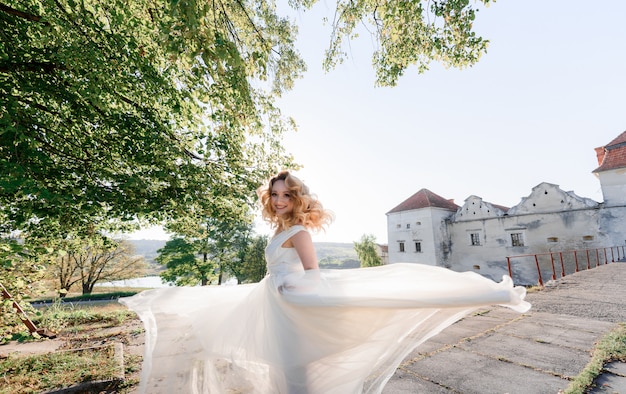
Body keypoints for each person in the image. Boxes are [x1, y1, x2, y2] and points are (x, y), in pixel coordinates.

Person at [120, 171, 530, 394]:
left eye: (287, 195)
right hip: (273, 302)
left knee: (298, 371)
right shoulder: (277, 230)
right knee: (283, 368)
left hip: (294, 303)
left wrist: (294, 288)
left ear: (298, 199)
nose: (280, 200)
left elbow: (313, 273)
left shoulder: (299, 232)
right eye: (275, 194)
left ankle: (488, 291)